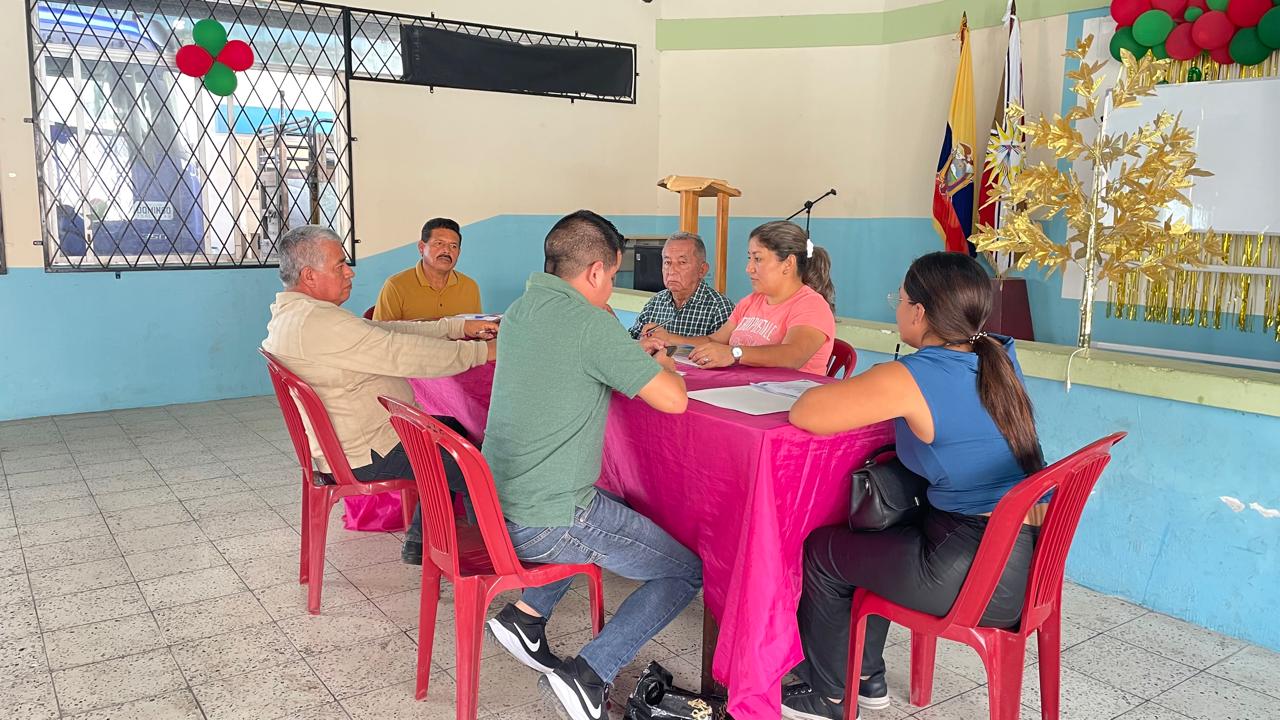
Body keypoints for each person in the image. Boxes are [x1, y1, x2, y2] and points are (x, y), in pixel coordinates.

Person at [779, 252, 1045, 720]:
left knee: (824, 552)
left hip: (973, 574)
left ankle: (828, 694)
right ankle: (866, 674)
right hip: (1025, 566)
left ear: (919, 312)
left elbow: (807, 413)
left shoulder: (914, 375)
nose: (897, 309)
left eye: (899, 300)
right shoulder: (998, 355)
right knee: (878, 529)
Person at [481, 210, 702, 720]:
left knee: (613, 504)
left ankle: (526, 619)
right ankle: (589, 675)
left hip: (498, 504)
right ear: (597, 271)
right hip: (547, 519)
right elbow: (674, 400)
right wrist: (662, 363)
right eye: (613, 277)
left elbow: (571, 359)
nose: (610, 291)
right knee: (685, 572)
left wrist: (626, 352)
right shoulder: (590, 323)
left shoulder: (522, 309)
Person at [261, 225, 497, 565]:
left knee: (455, 430)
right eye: (340, 265)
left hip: (354, 440)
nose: (349, 272)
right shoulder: (319, 323)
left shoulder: (298, 315)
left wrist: (455, 327)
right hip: (372, 450)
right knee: (479, 466)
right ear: (309, 276)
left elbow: (383, 330)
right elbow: (402, 352)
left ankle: (421, 540)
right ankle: (494, 558)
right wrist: (484, 352)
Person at [646, 220, 836, 375]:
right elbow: (715, 341)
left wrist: (734, 353)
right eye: (749, 258)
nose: (749, 268)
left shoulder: (811, 305)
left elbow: (793, 356)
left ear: (788, 263)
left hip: (790, 400)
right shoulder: (750, 302)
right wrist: (668, 338)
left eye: (758, 259)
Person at [627, 231, 734, 340]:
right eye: (667, 262)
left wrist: (669, 340)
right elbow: (630, 340)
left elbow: (719, 348)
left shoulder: (719, 309)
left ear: (702, 270)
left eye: (682, 262)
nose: (672, 271)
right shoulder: (655, 302)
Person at [373, 217, 482, 321]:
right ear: (421, 247)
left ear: (459, 252)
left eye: (453, 246)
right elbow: (378, 332)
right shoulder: (395, 286)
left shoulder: (470, 287)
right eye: (439, 243)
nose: (446, 250)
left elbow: (478, 330)